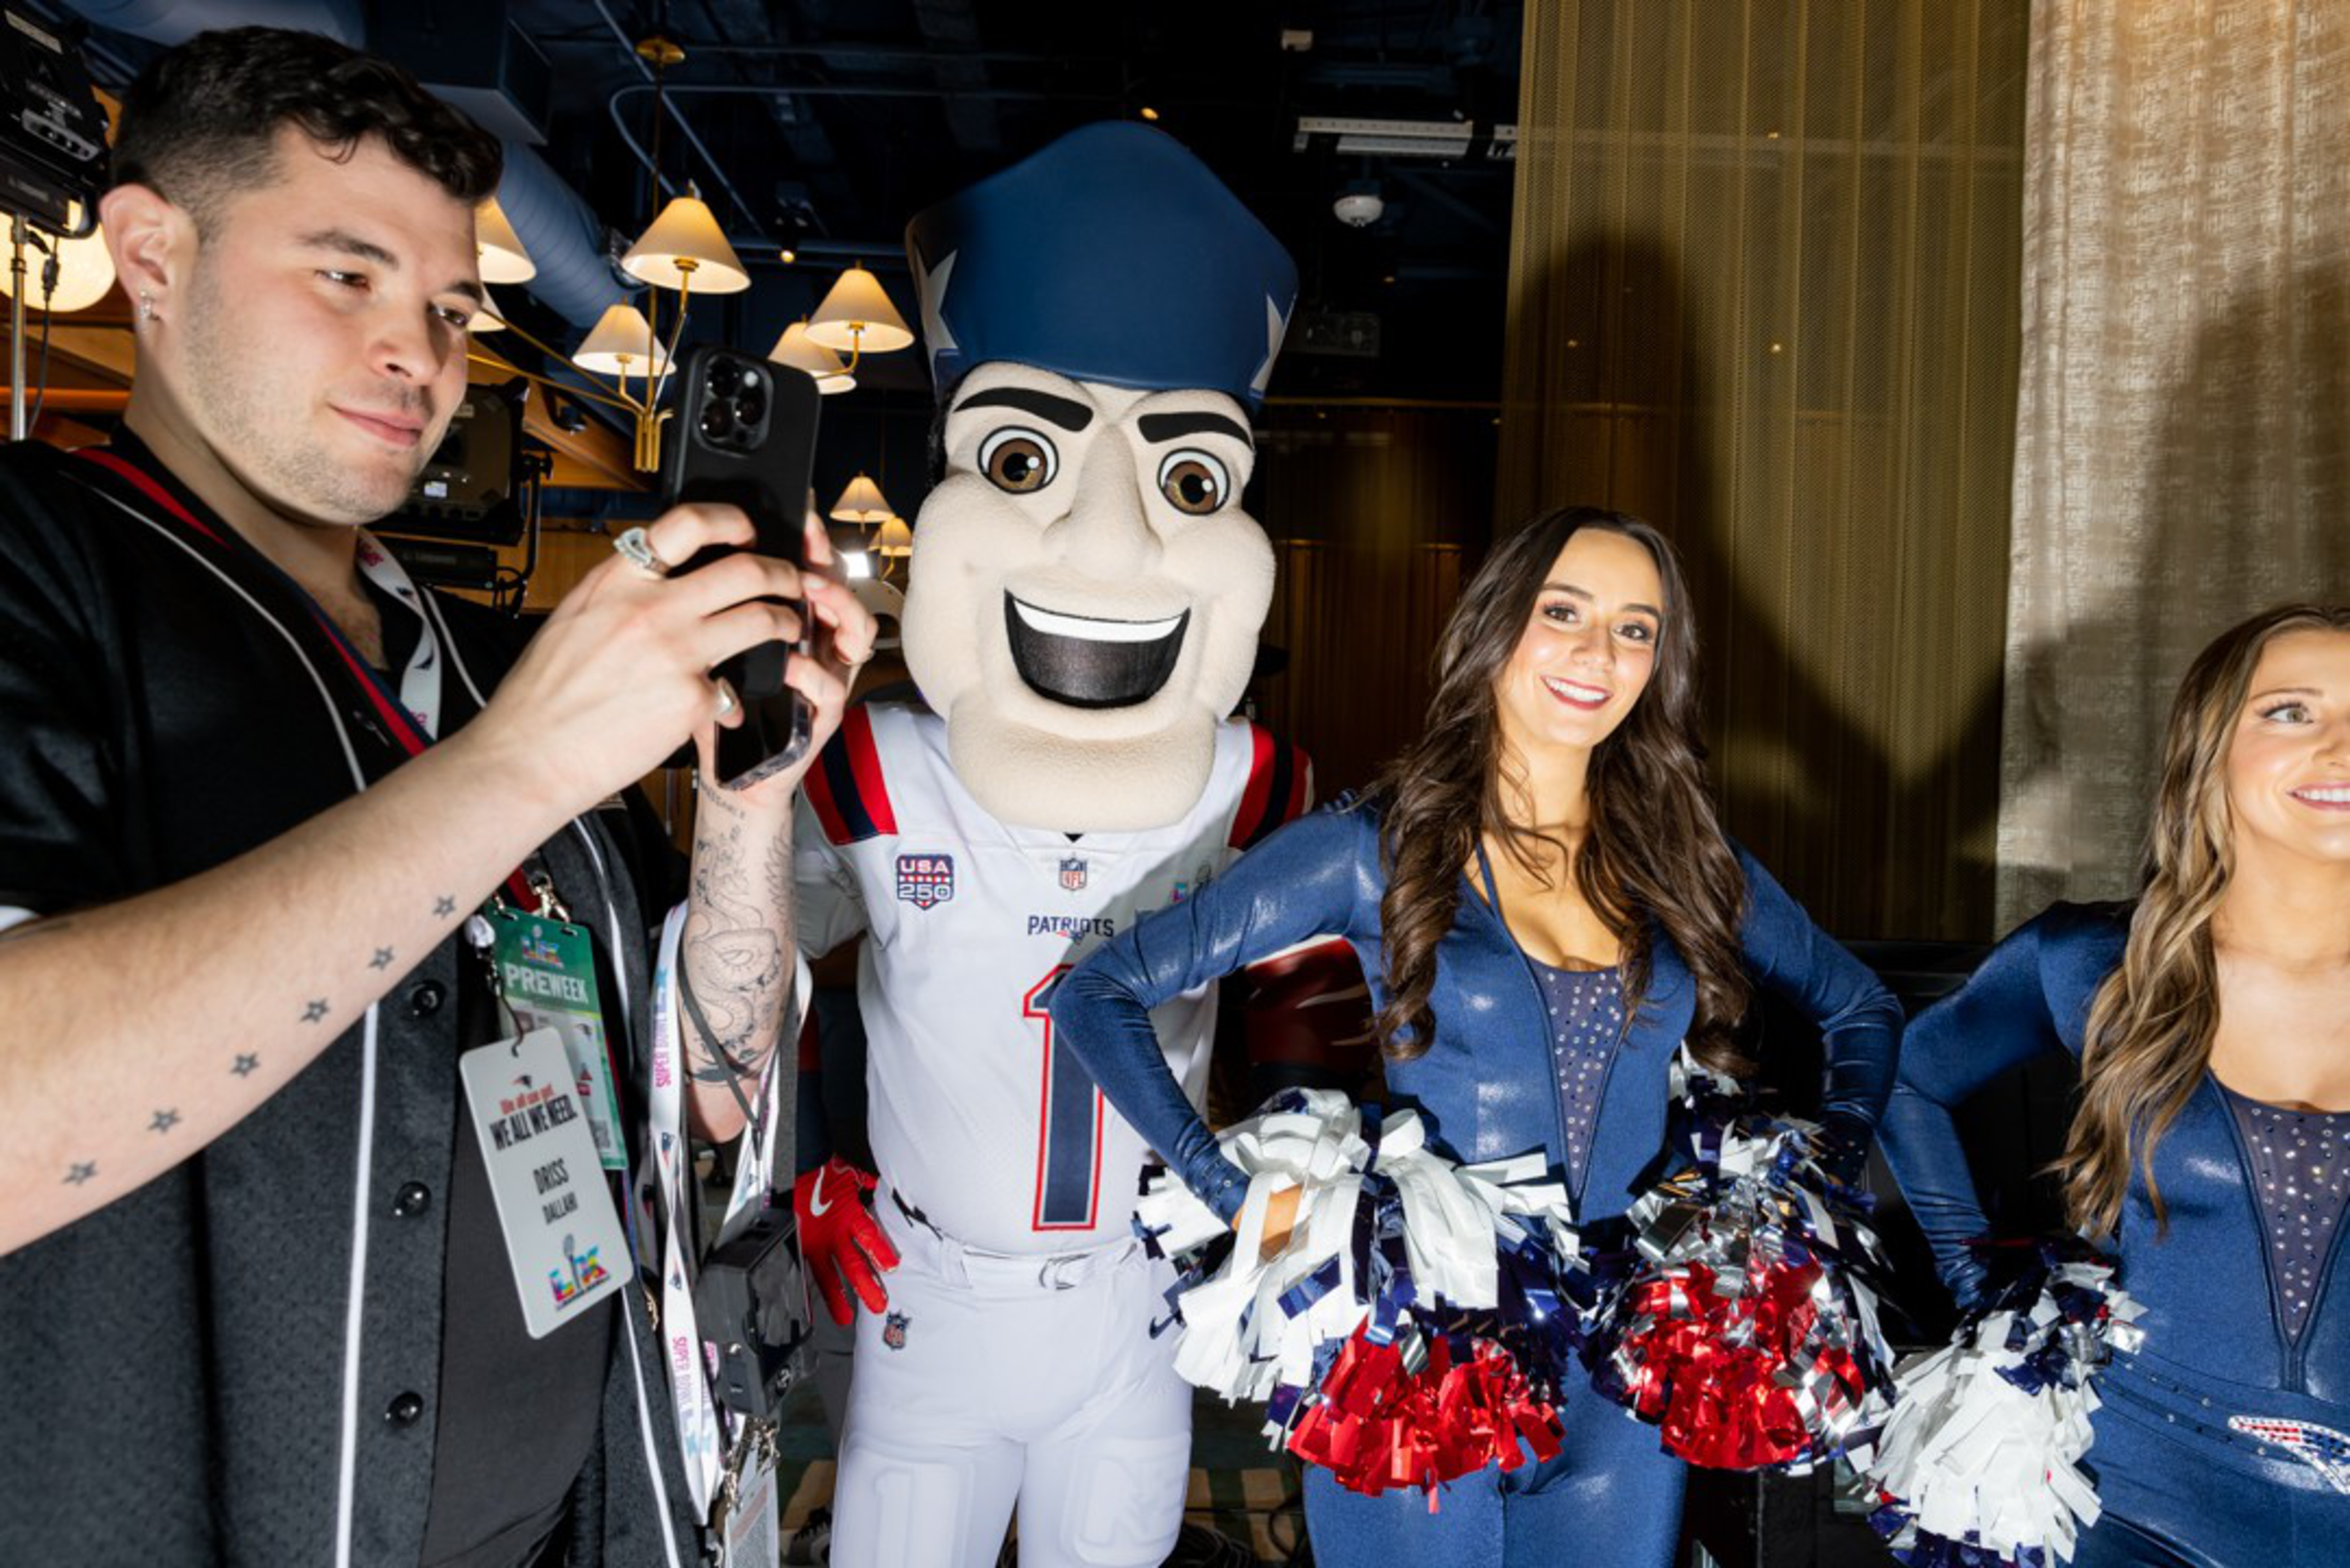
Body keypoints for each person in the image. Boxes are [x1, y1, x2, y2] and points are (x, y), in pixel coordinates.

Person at [0, 28, 872, 1567]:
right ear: (148, 256)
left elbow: (700, 1100)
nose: (421, 351)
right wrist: (523, 766)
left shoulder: (477, 665)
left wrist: (749, 801)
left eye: (451, 305)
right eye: (346, 277)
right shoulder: (43, 569)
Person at [1050, 505, 1903, 1567]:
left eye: (1636, 629)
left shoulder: (1687, 852)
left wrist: (1804, 1182)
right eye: (1564, 613)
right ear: (1497, 628)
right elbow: (1096, 993)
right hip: (1426, 1357)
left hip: (1626, 1366)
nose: (1599, 653)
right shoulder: (1370, 845)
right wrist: (1231, 1197)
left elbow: (1862, 1006)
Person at [786, 122, 1319, 1568]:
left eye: (1187, 483)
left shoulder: (1253, 780)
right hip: (927, 1299)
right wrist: (797, 1172)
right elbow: (745, 984)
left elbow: (1298, 1022)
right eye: (1025, 457)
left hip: (1132, 1299)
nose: (1104, 543)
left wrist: (1292, 1200)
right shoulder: (875, 764)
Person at [1879, 603, 2350, 1567]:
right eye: (2291, 712)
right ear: (2208, 746)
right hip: (2136, 1501)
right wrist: (1983, 1292)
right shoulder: (2090, 964)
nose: (2338, 746)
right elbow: (1903, 1078)